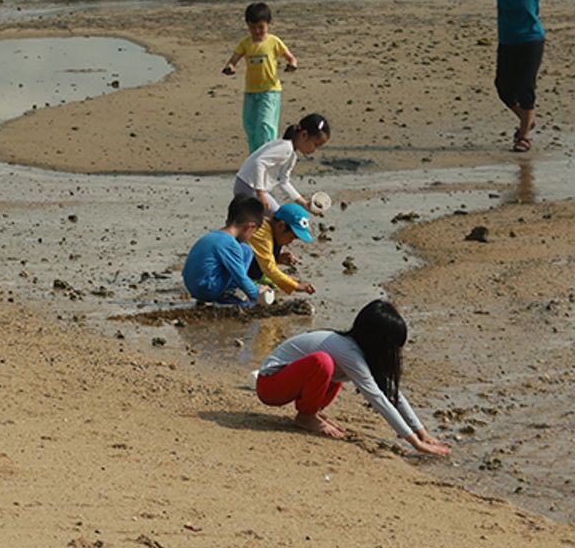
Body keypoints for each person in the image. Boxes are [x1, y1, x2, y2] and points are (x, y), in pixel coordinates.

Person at [253, 299, 451, 457]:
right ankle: (307, 417)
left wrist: (422, 433)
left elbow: (392, 392)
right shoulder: (347, 350)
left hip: (289, 381)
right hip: (270, 385)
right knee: (323, 363)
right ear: (376, 340)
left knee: (334, 371)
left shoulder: (357, 354)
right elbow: (378, 399)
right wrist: (416, 444)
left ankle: (312, 412)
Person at [479, 0, 553, 152]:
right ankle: (526, 119)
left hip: (531, 41)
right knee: (503, 88)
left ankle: (524, 136)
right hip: (507, 43)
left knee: (525, 87)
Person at [222, 1, 298, 151]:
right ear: (247, 25)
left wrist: (292, 65)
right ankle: (255, 157)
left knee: (265, 124)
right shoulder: (245, 43)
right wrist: (230, 67)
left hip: (270, 91)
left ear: (268, 24)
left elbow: (291, 58)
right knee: (250, 126)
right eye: (252, 27)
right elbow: (233, 60)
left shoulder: (274, 42)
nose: (257, 31)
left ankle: (267, 154)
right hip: (251, 92)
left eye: (261, 27)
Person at [182, 195, 271, 306]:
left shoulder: (213, 236)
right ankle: (226, 297)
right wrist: (257, 293)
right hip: (207, 290)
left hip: (194, 287)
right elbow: (240, 277)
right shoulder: (230, 244)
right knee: (246, 251)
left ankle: (220, 294)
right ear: (250, 226)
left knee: (245, 250)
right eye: (254, 232)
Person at [233, 113, 331, 213]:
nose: (314, 150)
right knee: (279, 219)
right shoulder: (285, 148)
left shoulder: (291, 154)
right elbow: (259, 163)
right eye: (315, 145)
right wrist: (260, 193)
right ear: (304, 135)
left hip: (248, 185)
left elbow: (283, 181)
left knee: (269, 219)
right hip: (248, 186)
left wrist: (304, 203)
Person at [248, 201, 317, 298]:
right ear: (281, 226)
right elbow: (268, 268)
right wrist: (297, 287)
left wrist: (279, 258)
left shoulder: (272, 231)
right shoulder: (262, 234)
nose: (290, 242)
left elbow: (261, 255)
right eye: (291, 238)